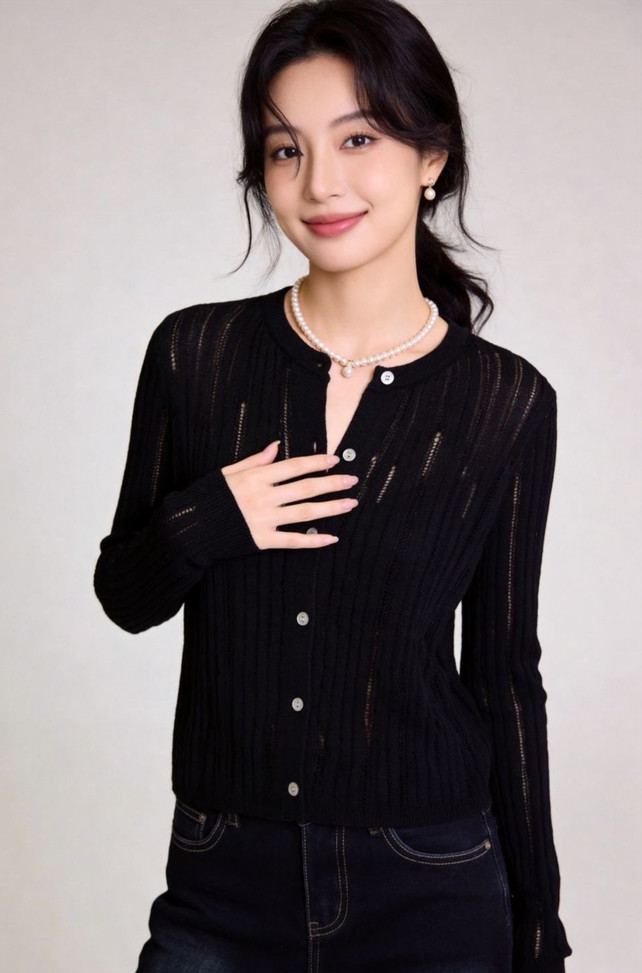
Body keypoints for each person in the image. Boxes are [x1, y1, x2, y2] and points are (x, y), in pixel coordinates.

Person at [93, 1, 573, 970]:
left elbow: (503, 676)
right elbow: (125, 595)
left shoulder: (506, 402)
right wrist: (208, 519)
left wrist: (537, 918)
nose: (319, 183)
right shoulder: (196, 354)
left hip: (431, 878)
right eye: (286, 150)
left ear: (431, 155)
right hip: (223, 878)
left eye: (358, 138)